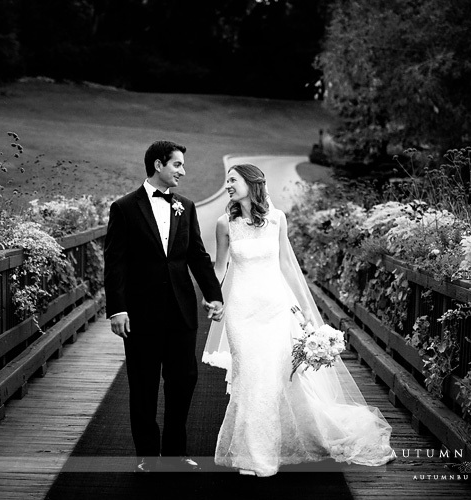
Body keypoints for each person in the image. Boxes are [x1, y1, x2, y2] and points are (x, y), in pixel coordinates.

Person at [203, 163, 395, 477]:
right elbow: (220, 265)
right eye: (226, 181)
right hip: (241, 311)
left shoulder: (277, 219)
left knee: (273, 378)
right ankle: (254, 454)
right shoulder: (225, 224)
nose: (227, 185)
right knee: (250, 377)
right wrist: (213, 296)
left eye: (232, 180)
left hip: (274, 309)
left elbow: (286, 266)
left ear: (251, 184)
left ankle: (266, 450)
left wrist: (305, 308)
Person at [104, 140, 224, 473]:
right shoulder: (124, 208)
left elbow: (198, 256)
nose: (183, 171)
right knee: (142, 386)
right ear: (158, 165)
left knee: (183, 382)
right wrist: (117, 309)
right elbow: (115, 263)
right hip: (140, 315)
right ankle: (146, 456)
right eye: (177, 165)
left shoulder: (185, 205)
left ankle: (174, 455)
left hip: (181, 312)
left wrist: (214, 295)